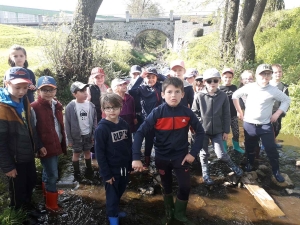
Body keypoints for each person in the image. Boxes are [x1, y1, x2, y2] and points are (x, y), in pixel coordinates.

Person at [132, 77, 204, 224]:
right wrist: (136, 157)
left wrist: (193, 153)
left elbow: (201, 132)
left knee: (185, 186)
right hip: (162, 157)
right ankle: (168, 213)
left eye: (177, 92)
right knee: (166, 186)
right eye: (169, 92)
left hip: (181, 156)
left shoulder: (187, 113)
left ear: (183, 94)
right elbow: (140, 132)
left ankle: (179, 214)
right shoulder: (157, 112)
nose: (173, 95)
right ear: (163, 94)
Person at [232, 64, 291, 183]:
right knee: (250, 147)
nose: (265, 76)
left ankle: (276, 171)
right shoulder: (249, 87)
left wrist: (277, 114)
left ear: (270, 76)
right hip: (249, 124)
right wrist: (239, 111)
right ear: (257, 75)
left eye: (268, 73)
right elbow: (235, 95)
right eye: (263, 73)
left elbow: (286, 100)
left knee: (271, 149)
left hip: (265, 125)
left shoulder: (274, 90)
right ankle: (249, 163)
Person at [0, 67, 46, 212]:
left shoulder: (25, 100)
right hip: (14, 159)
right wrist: (8, 167)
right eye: (17, 87)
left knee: (31, 181)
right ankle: (18, 214)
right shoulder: (2, 109)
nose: (21, 91)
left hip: (28, 154)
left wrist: (38, 146)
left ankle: (28, 206)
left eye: (25, 87)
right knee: (17, 189)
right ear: (7, 83)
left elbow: (31, 126)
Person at [192, 68, 243, 185]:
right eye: (209, 81)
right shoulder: (199, 96)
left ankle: (233, 167)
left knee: (221, 154)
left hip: (218, 131)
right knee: (204, 153)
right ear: (204, 82)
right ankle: (206, 174)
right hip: (202, 131)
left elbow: (227, 114)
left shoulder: (223, 96)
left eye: (215, 80)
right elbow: (194, 113)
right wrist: (200, 124)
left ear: (219, 81)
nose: (212, 83)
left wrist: (226, 131)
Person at [94, 93, 132, 225]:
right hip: (111, 169)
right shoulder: (102, 129)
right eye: (108, 108)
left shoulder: (124, 124)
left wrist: (130, 164)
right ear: (103, 110)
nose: (112, 111)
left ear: (121, 108)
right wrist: (106, 174)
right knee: (111, 196)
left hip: (124, 167)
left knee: (121, 190)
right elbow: (100, 153)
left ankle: (115, 210)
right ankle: (113, 219)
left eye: (115, 107)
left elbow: (129, 145)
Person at [31, 76, 67, 211]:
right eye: (44, 90)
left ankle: (48, 192)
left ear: (55, 90)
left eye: (51, 89)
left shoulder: (56, 104)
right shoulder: (34, 107)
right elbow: (33, 130)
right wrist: (39, 146)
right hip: (45, 146)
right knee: (53, 174)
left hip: (56, 143)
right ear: (38, 91)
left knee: (48, 171)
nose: (48, 92)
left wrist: (64, 139)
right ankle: (51, 204)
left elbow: (58, 124)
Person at [128, 67, 165, 168]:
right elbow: (131, 90)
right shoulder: (142, 88)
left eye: (153, 77)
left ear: (157, 78)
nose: (151, 79)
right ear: (145, 78)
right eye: (148, 77)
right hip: (145, 119)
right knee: (144, 140)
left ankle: (153, 160)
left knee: (155, 140)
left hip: (159, 119)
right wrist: (140, 77)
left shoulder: (160, 86)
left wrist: (159, 75)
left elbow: (169, 82)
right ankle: (142, 159)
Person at [65, 81, 97, 179]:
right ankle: (77, 172)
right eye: (81, 91)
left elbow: (94, 120)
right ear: (74, 94)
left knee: (87, 152)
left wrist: (93, 135)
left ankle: (89, 169)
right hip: (76, 136)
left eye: (85, 91)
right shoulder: (70, 107)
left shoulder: (91, 105)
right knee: (76, 153)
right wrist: (69, 139)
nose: (85, 93)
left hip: (88, 134)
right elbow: (67, 124)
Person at [220, 68, 245, 153]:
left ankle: (236, 146)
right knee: (224, 132)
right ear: (222, 77)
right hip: (223, 115)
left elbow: (238, 99)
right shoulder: (219, 88)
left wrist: (240, 111)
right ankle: (224, 148)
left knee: (236, 131)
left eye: (230, 77)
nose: (228, 79)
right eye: (226, 77)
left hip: (233, 114)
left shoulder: (234, 87)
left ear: (232, 77)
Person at [270, 64, 289, 147]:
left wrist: (284, 110)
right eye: (275, 72)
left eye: (280, 72)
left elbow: (287, 99)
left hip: (279, 110)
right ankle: (267, 143)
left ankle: (272, 141)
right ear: (271, 74)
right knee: (269, 128)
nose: (278, 74)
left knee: (277, 128)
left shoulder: (284, 86)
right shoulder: (268, 85)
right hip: (269, 110)